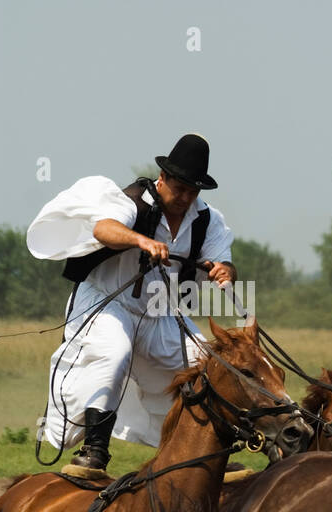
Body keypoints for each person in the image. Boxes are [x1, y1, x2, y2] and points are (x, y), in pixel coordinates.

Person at [26, 133, 236, 474]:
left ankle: (203, 455)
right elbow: (104, 229)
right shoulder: (132, 201)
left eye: (192, 191)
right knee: (114, 353)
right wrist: (141, 240)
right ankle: (94, 453)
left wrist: (224, 272)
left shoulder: (208, 220)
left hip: (159, 311)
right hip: (107, 302)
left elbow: (223, 262)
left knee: (206, 365)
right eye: (179, 187)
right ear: (163, 178)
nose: (184, 197)